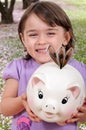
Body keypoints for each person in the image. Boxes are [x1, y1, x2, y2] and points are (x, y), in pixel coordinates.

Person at [1, 1, 86, 130]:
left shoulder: (78, 70)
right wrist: (23, 101)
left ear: (66, 37)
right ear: (23, 39)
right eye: (33, 34)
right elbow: (5, 108)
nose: (41, 41)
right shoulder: (18, 68)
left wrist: (81, 116)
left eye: (50, 33)